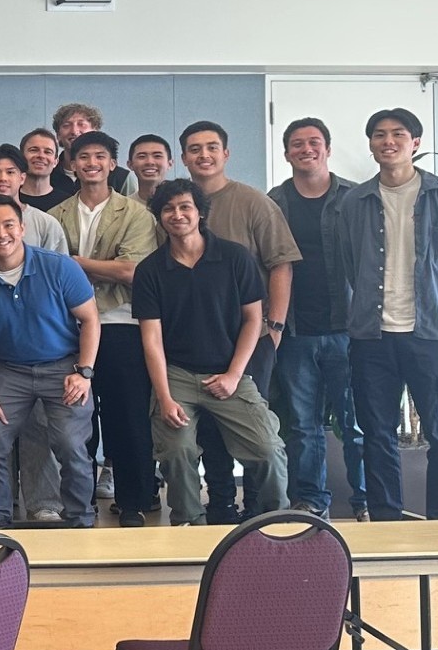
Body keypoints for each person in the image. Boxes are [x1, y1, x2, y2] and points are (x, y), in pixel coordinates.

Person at [340, 107, 438, 521]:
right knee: (377, 434)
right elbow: (352, 264)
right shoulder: (355, 202)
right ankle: (387, 519)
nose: (388, 141)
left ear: (415, 142)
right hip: (373, 337)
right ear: (370, 145)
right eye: (379, 135)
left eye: (398, 134)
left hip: (433, 337)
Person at [133, 179, 289, 526]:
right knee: (177, 451)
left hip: (230, 371)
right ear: (159, 217)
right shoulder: (150, 271)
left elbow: (253, 320)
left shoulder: (235, 257)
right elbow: (152, 342)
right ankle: (189, 523)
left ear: (200, 212)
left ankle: (276, 521)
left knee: (268, 449)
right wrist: (165, 397)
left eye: (185, 206)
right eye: (168, 208)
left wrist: (234, 374)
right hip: (177, 375)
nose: (178, 214)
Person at [180, 120, 302, 522]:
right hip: (198, 340)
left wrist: (276, 328)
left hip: (252, 336)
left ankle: (257, 510)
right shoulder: (180, 206)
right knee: (210, 427)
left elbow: (280, 264)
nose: (204, 155)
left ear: (226, 154)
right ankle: (220, 505)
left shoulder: (252, 201)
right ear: (184, 158)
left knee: (252, 426)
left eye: (212, 147)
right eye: (194, 149)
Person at [0, 197, 101, 529]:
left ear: (22, 228)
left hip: (64, 367)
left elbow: (91, 320)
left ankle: (81, 520)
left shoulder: (60, 267)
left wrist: (84, 372)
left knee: (70, 444)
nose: (1, 234)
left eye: (9, 225)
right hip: (10, 370)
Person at [48, 131, 162, 526]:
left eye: (100, 156)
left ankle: (135, 500)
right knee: (77, 419)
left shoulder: (135, 214)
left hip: (120, 325)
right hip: (69, 328)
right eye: (83, 157)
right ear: (71, 164)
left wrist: (74, 263)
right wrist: (101, 267)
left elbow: (132, 271)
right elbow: (49, 273)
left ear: (113, 164)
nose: (91, 163)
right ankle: (80, 503)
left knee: (126, 416)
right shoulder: (56, 215)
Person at [267, 117, 368, 521]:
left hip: (350, 330)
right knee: (302, 426)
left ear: (327, 147)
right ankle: (312, 501)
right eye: (296, 144)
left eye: (313, 142)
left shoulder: (357, 197)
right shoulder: (273, 202)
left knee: (357, 424)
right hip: (295, 332)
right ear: (286, 152)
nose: (305, 149)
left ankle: (366, 502)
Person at [51, 103, 138, 196]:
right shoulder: (47, 176)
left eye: (81, 124)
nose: (74, 131)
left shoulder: (122, 178)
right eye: (66, 125)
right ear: (58, 136)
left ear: (95, 131)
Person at [18, 128, 66, 212]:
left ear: (56, 162)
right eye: (34, 150)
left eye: (48, 152)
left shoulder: (66, 204)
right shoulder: (10, 200)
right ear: (21, 157)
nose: (41, 156)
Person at [128, 133, 174, 206]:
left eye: (157, 156)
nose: (149, 162)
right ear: (130, 164)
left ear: (170, 163)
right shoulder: (123, 208)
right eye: (142, 156)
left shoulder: (182, 204)